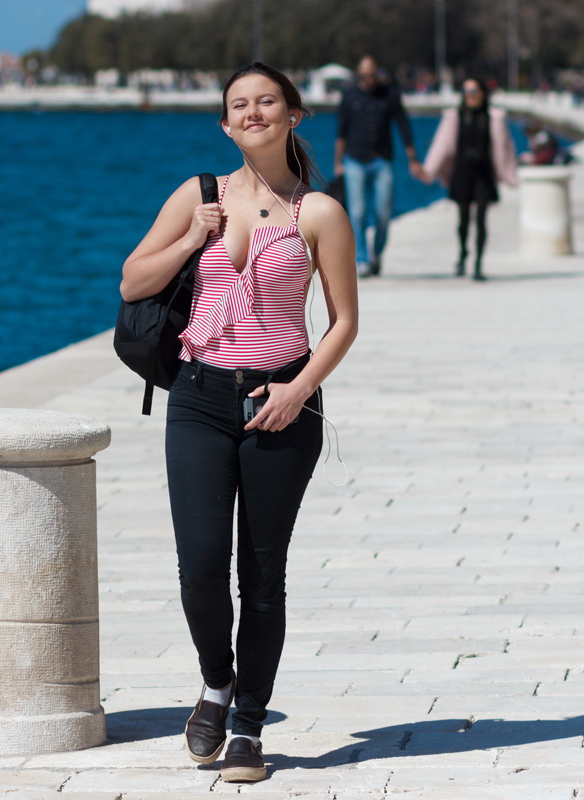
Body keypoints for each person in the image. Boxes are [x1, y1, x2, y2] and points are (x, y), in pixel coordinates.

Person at [120, 62, 358, 783]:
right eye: (239, 106)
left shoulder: (319, 212)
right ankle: (215, 685)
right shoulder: (201, 195)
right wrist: (192, 237)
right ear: (226, 124)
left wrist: (298, 390)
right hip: (196, 397)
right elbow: (133, 280)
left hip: (278, 402)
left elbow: (344, 323)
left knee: (261, 573)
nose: (252, 113)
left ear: (293, 115)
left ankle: (249, 725)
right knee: (199, 565)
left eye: (266, 102)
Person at [419, 77, 517, 281]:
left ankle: (478, 264)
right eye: (466, 92)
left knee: (481, 219)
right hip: (462, 173)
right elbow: (441, 145)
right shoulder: (455, 116)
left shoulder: (494, 117)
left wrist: (510, 174)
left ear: (483, 93)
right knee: (463, 220)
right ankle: (463, 252)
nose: (470, 96)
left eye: (474, 91)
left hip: (484, 173)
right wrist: (429, 171)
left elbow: (505, 147)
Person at [334, 55, 421, 277]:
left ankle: (377, 254)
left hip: (381, 160)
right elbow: (341, 131)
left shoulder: (389, 94)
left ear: (377, 73)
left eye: (372, 74)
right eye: (364, 75)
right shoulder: (349, 95)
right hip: (354, 160)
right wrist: (338, 162)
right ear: (358, 74)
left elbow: (403, 125)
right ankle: (362, 259)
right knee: (358, 212)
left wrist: (412, 158)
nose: (368, 79)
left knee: (383, 213)